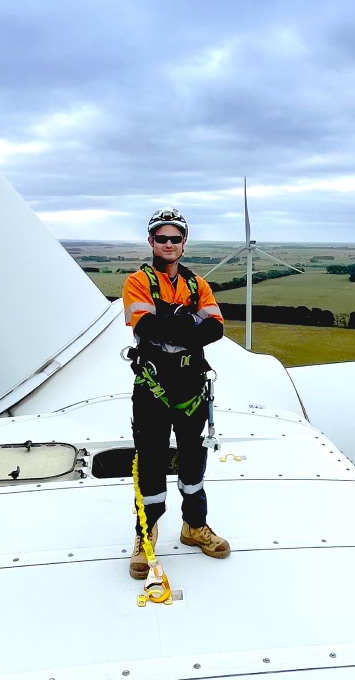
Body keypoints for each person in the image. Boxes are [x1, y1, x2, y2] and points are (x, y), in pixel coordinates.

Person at [123, 208, 229, 580]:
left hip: (190, 386)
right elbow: (147, 326)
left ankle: (194, 526)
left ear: (184, 243)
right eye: (162, 238)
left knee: (192, 461)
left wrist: (172, 322)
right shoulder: (137, 282)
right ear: (151, 242)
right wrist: (187, 320)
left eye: (175, 238)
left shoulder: (198, 284)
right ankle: (145, 535)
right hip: (152, 386)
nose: (169, 244)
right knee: (150, 461)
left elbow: (216, 329)